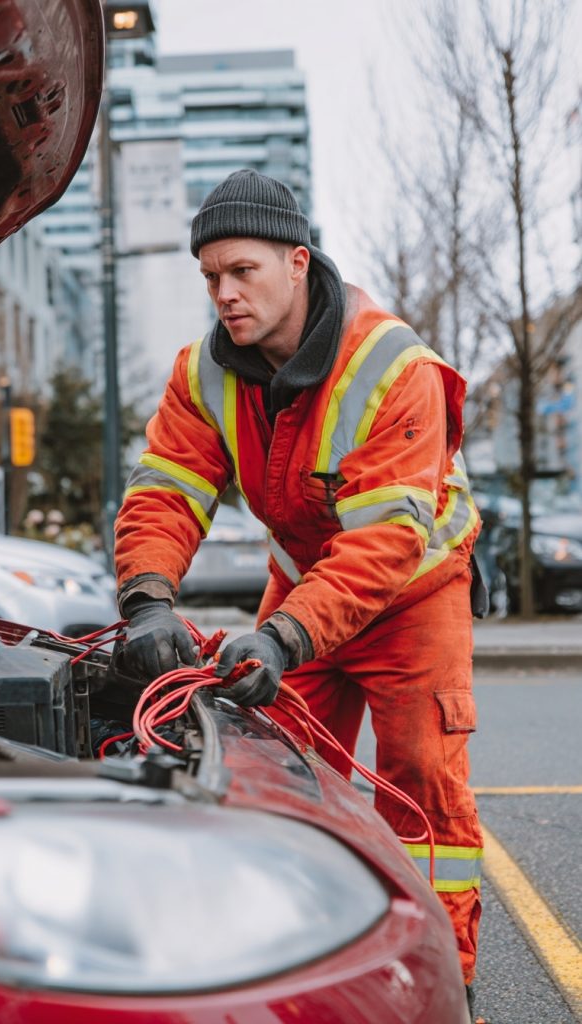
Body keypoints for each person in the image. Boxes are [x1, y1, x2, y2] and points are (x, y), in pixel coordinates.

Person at [112, 169, 483, 1006]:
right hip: (307, 584)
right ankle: (300, 961)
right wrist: (147, 598)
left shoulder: (393, 365)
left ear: (296, 262)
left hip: (413, 593)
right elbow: (167, 490)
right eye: (210, 277)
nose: (224, 294)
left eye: (241, 271)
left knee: (421, 783)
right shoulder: (203, 373)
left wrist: (283, 638)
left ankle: (443, 983)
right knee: (268, 766)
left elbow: (384, 543)